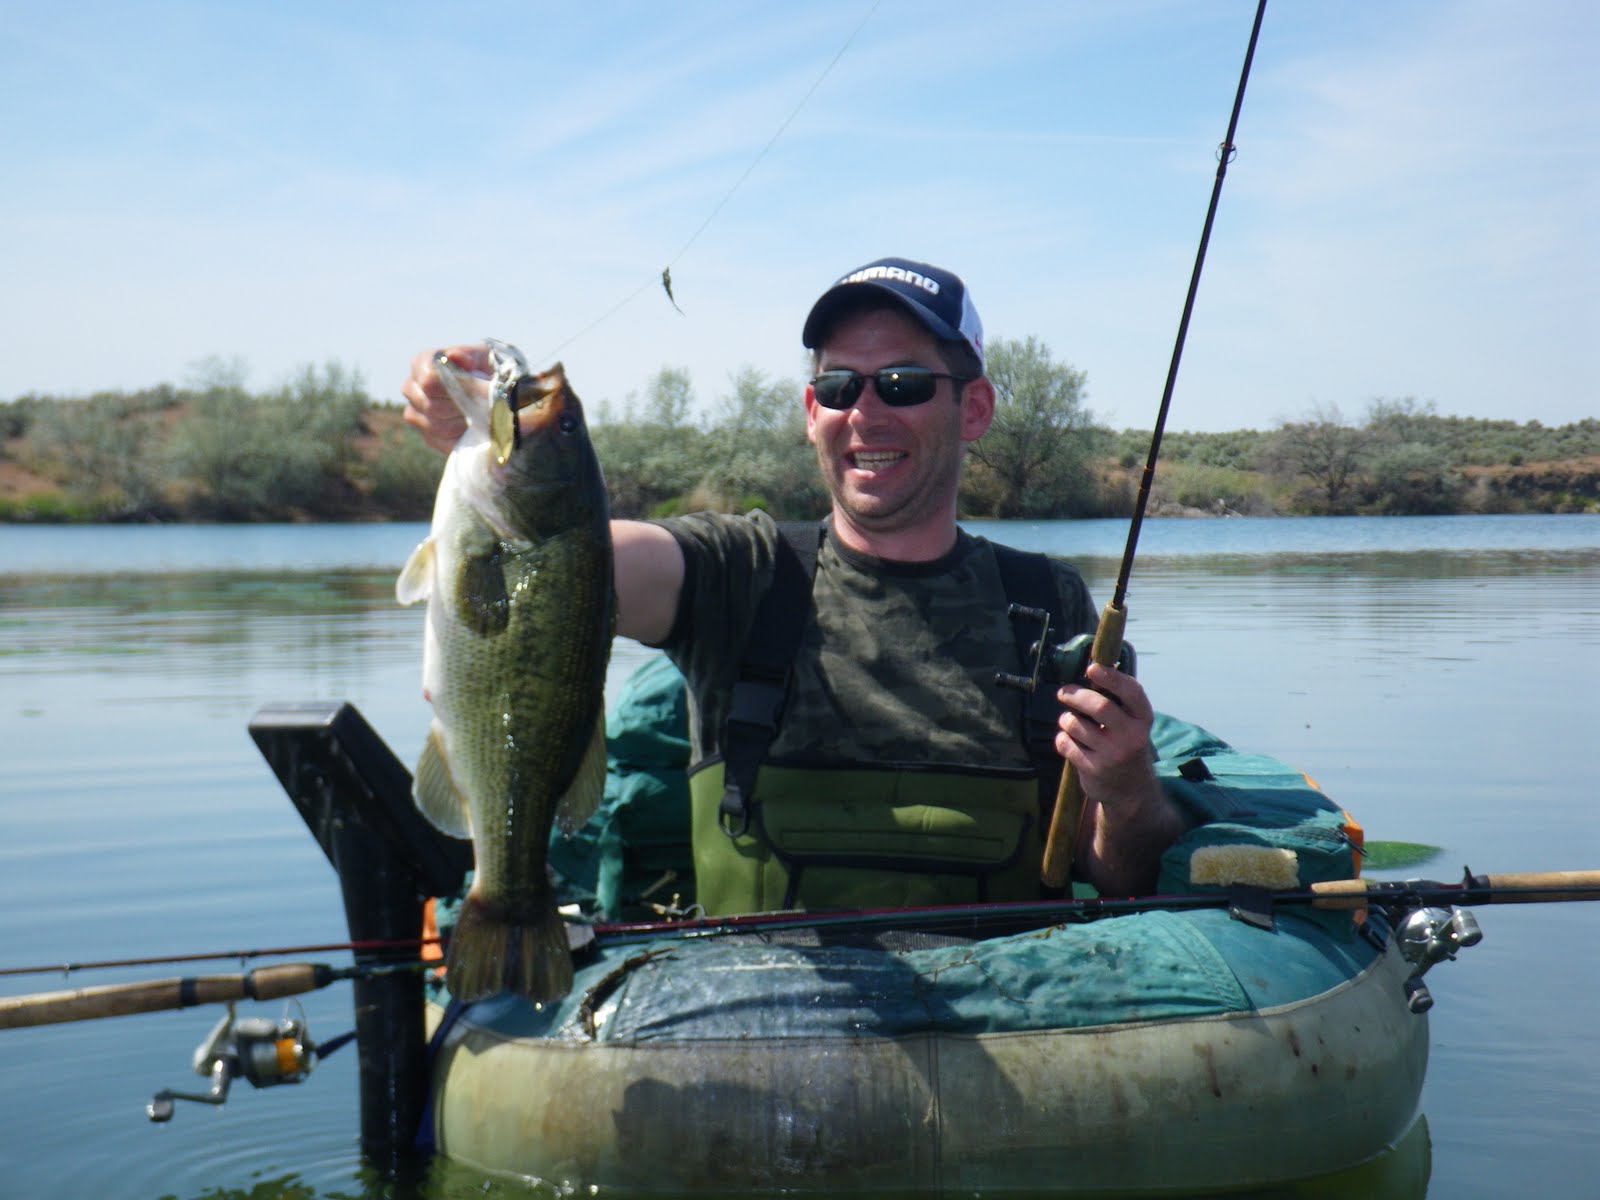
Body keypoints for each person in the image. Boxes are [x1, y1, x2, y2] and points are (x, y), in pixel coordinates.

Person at [402, 256, 1190, 914]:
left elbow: (1119, 877)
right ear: (813, 411)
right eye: (842, 386)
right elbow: (567, 559)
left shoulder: (1047, 606)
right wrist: (482, 416)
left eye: (906, 383)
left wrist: (1126, 790)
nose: (867, 412)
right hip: (764, 1033)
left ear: (974, 406)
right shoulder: (740, 572)